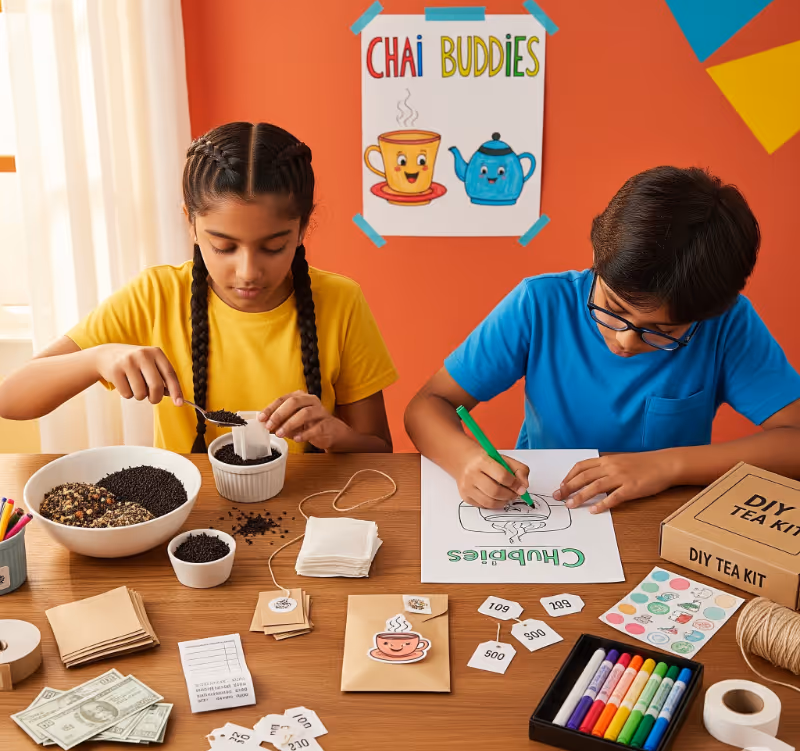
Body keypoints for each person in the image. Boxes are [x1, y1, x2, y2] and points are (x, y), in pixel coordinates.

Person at [405, 166, 800, 511]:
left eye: (662, 332)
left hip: (664, 514)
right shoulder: (540, 304)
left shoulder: (727, 324)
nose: (625, 341)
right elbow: (428, 405)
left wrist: (668, 465)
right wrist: (465, 460)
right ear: (596, 257)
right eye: (612, 307)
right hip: (551, 501)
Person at [0, 122, 397, 454]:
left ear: (303, 227)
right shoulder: (155, 295)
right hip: (187, 513)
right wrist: (96, 358)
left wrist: (336, 435)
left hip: (312, 511)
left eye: (273, 247)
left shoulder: (341, 301)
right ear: (190, 223)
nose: (247, 272)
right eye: (223, 246)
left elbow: (379, 449)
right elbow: (10, 398)